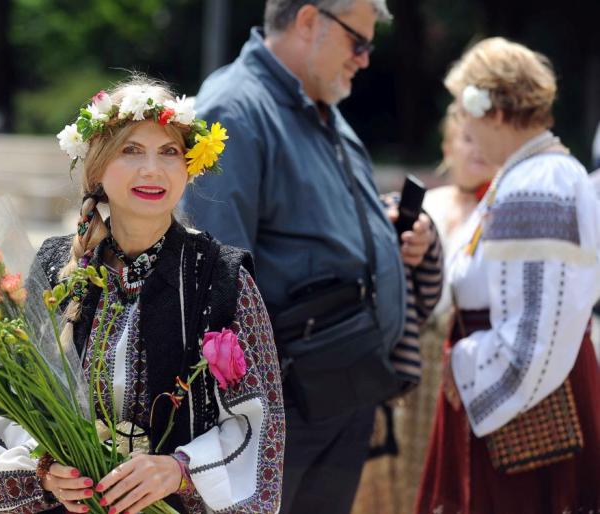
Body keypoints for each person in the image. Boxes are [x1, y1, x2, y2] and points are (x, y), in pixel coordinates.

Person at [0, 77, 285, 514]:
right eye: (131, 150)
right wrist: (45, 470)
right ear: (97, 168)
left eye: (169, 152)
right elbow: (11, 402)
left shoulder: (220, 277)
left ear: (189, 166)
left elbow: (259, 423)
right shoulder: (56, 265)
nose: (152, 169)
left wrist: (179, 470)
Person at [180, 1, 442, 512]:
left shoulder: (320, 104)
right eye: (358, 42)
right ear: (307, 21)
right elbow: (218, 277)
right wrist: (258, 412)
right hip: (287, 408)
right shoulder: (235, 109)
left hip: (342, 389)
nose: (365, 59)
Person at [416, 37, 600, 513]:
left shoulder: (539, 183)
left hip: (525, 417)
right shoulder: (525, 175)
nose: (463, 127)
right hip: (514, 404)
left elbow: (537, 335)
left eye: (465, 111)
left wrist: (468, 365)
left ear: (495, 111)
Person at [351, 104, 498, 514]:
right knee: (384, 471)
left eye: (483, 140)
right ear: (448, 146)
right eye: (467, 139)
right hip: (409, 348)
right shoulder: (428, 201)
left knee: (438, 472)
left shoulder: (498, 209)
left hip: (457, 357)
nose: (476, 151)